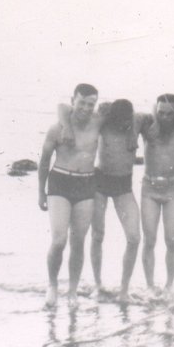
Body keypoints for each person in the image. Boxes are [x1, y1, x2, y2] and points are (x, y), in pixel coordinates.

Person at [58, 99, 142, 301]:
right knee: (98, 234)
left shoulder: (136, 122)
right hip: (100, 182)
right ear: (112, 117)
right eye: (120, 120)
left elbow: (149, 116)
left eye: (127, 121)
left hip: (124, 185)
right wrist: (67, 127)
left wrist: (133, 129)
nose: (124, 124)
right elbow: (63, 107)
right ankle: (98, 285)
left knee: (134, 237)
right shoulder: (103, 121)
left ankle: (123, 290)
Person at [38, 83, 100, 306]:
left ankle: (72, 291)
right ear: (73, 101)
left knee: (78, 241)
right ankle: (53, 285)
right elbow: (44, 161)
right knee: (59, 240)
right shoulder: (57, 129)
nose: (85, 108)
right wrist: (40, 193)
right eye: (81, 102)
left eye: (90, 104)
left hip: (86, 183)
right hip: (60, 182)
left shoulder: (98, 122)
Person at [137, 94, 174, 294]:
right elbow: (135, 119)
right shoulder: (148, 127)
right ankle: (150, 286)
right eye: (160, 112)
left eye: (169, 113)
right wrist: (152, 113)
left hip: (173, 189)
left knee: (171, 238)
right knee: (149, 239)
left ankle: (169, 286)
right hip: (149, 187)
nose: (164, 117)